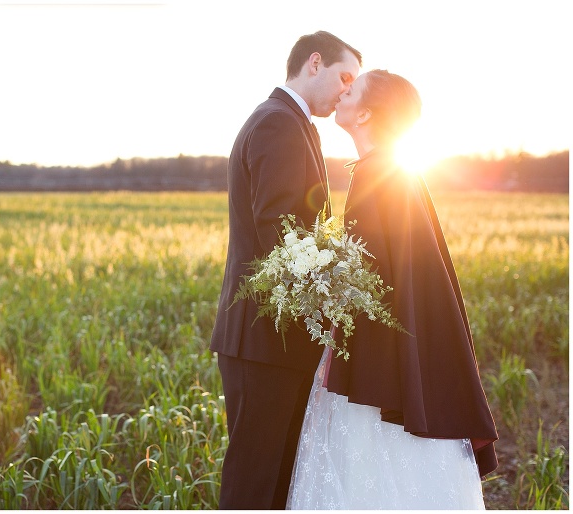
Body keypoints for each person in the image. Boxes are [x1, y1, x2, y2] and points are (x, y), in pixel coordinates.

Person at [286, 69, 499, 509]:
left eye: (353, 90)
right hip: (396, 346)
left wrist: (320, 280)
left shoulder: (377, 174)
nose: (343, 92)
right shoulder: (397, 170)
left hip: (377, 355)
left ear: (364, 113)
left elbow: (372, 273)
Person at [209, 31, 362, 509]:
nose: (346, 90)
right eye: (345, 77)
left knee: (275, 479)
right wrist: (333, 299)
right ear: (313, 62)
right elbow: (281, 231)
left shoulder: (287, 120)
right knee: (256, 479)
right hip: (263, 340)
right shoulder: (278, 123)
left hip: (273, 340)